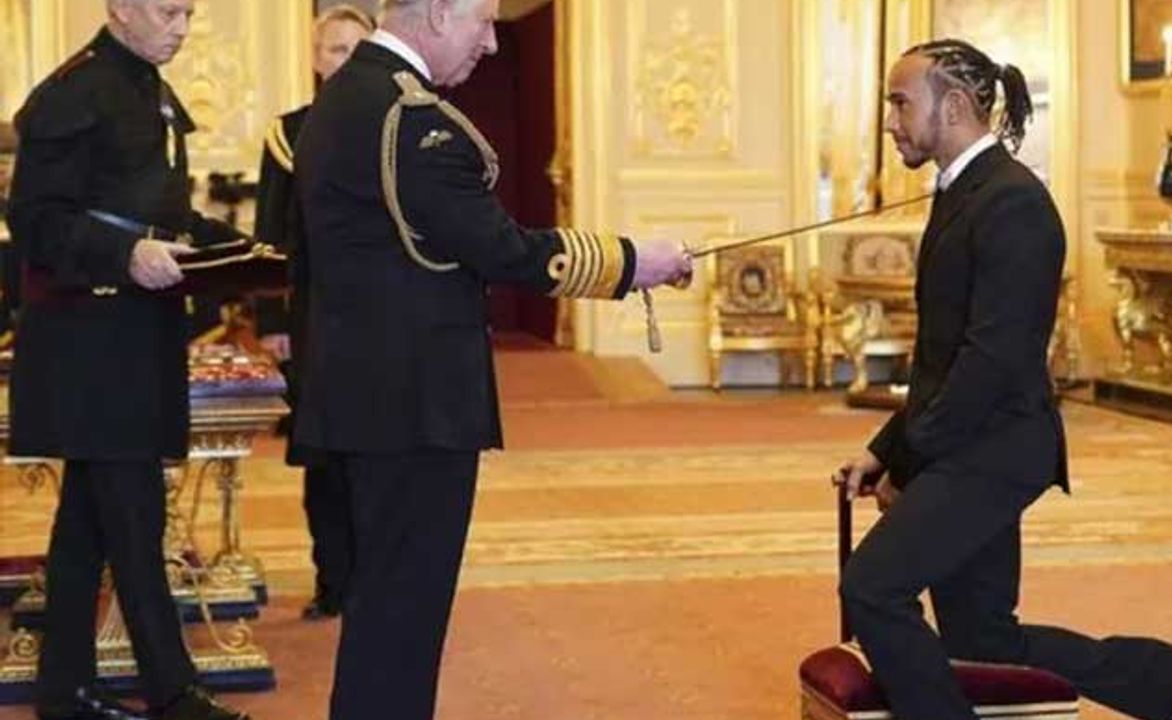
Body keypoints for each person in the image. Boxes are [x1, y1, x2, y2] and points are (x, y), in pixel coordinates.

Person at [291, 0, 693, 717]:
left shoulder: (342, 98)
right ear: (437, 12)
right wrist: (635, 262)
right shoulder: (408, 118)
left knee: (383, 604)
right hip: (417, 407)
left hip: (364, 393)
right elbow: (504, 250)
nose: (491, 43)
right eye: (481, 22)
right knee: (403, 614)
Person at [832, 39, 1172, 720]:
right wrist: (885, 450)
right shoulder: (964, 192)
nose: (889, 121)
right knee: (983, 641)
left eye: (900, 103)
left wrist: (911, 465)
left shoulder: (1013, 203)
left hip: (995, 450)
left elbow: (990, 362)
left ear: (955, 106)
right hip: (971, 440)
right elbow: (942, 358)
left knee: (873, 588)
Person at [5, 1, 255, 719]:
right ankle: (175, 695)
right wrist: (125, 253)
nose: (181, 27)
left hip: (131, 338)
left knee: (86, 527)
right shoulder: (73, 91)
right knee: (136, 522)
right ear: (119, 7)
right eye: (167, 10)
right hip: (89, 345)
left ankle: (64, 692)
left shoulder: (145, 85)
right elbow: (35, 222)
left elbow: (161, 215)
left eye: (188, 13)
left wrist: (243, 252)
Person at [252, 2, 374, 622]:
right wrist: (273, 322)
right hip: (316, 320)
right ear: (316, 59)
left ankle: (380, 585)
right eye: (335, 49)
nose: (346, 61)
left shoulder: (398, 125)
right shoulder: (288, 134)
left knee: (382, 455)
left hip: (384, 321)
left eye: (358, 50)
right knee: (325, 457)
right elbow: (270, 235)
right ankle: (335, 582)